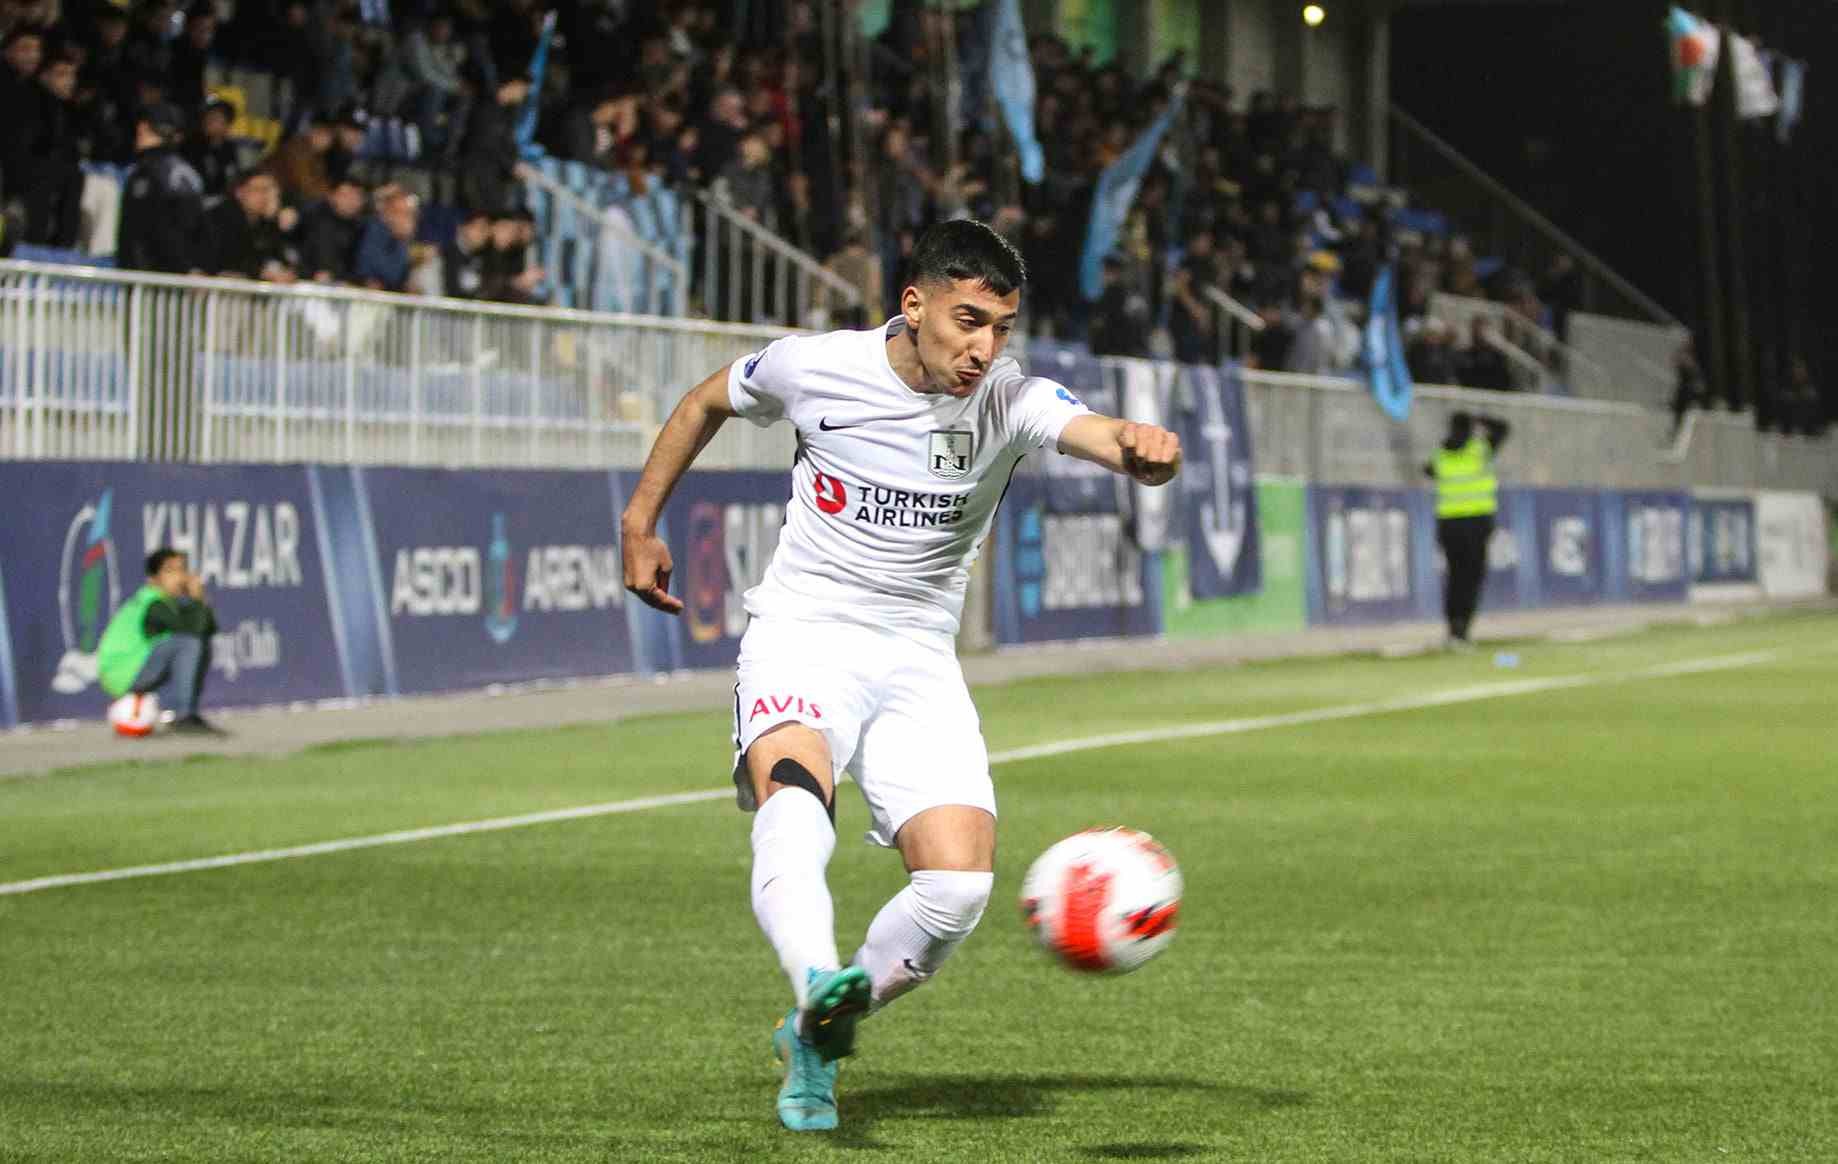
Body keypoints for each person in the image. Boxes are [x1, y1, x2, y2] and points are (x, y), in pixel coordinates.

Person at [618, 219, 1182, 1134]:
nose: (984, 348)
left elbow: (1100, 434)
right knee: (796, 792)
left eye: (1001, 327)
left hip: (918, 657)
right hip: (803, 635)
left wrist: (1144, 449)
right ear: (914, 305)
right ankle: (815, 977)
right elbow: (705, 401)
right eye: (968, 321)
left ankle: (815, 1033)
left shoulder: (1010, 400)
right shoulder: (815, 366)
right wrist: (640, 521)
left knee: (958, 889)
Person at [96, 548, 224, 735]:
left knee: (197, 642)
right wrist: (198, 599)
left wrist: (200, 601)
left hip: (136, 669)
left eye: (182, 570)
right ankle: (184, 716)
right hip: (123, 674)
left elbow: (209, 628)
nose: (179, 577)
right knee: (187, 643)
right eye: (170, 571)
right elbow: (195, 630)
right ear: (153, 579)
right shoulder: (153, 603)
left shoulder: (168, 601)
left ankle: (180, 711)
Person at [1424, 411, 1509, 650]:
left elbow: (1428, 471)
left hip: (1449, 524)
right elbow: (1503, 428)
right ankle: (1463, 631)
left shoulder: (1441, 454)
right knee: (1472, 578)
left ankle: (1454, 630)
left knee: (1455, 577)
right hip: (1476, 523)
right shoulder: (1480, 450)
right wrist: (1482, 418)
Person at [117, 103, 206, 274]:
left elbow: (163, 229)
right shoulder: (185, 173)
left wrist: (184, 268)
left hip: (156, 277)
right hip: (163, 275)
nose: (140, 129)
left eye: (148, 128)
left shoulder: (155, 172)